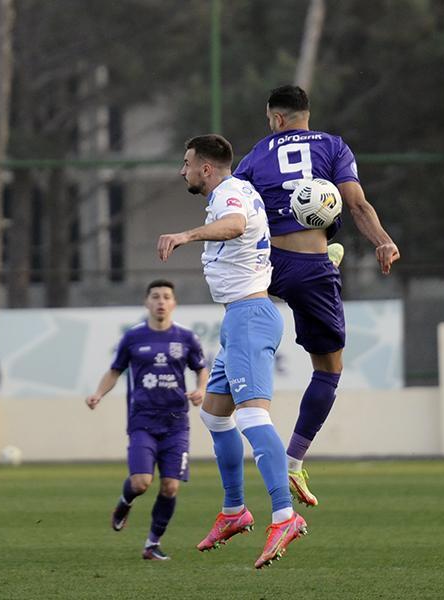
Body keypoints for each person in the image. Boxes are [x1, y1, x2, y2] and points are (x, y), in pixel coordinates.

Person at [232, 85, 401, 507]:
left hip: (267, 264)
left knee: (240, 330)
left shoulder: (256, 154)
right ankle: (294, 461)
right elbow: (357, 205)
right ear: (305, 114)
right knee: (328, 369)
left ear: (276, 119)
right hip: (310, 270)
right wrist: (382, 240)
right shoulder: (333, 146)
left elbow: (236, 209)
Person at [158, 134, 307, 569]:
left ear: (205, 168)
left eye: (187, 163)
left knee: (253, 418)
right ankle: (234, 510)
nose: (183, 171)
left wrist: (186, 235)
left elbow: (237, 225)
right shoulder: (237, 190)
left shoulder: (229, 194)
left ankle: (284, 516)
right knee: (214, 414)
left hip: (249, 318)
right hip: (240, 318)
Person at [85, 279, 208, 561]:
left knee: (170, 486)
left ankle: (152, 544)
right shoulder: (133, 337)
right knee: (141, 482)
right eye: (155, 296)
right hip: (142, 420)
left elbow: (201, 369)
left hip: (176, 422)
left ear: (174, 303)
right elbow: (115, 371)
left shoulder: (186, 338)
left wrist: (201, 389)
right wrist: (98, 394)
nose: (161, 301)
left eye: (166, 296)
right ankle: (125, 502)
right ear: (146, 302)